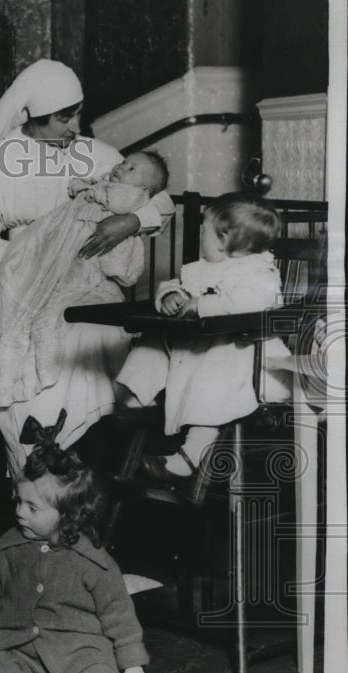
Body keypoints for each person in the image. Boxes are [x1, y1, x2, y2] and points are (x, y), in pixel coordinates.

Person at [0, 58, 176, 476]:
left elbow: (157, 196)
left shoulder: (97, 155)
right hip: (22, 281)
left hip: (87, 281)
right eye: (64, 117)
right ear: (33, 116)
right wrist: (35, 258)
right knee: (37, 364)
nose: (76, 126)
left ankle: (83, 457)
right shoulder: (0, 161)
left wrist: (131, 221)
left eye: (78, 113)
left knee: (94, 333)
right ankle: (35, 468)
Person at [0, 411, 188, 673]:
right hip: (16, 645)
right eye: (18, 501)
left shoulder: (92, 559)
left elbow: (118, 613)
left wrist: (132, 664)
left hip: (78, 649)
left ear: (67, 515)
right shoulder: (4, 549)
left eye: (32, 507)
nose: (19, 513)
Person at [0, 151, 169, 471]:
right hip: (31, 262)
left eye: (130, 167)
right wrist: (26, 257)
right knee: (16, 321)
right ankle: (30, 452)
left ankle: (52, 440)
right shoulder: (6, 158)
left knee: (59, 330)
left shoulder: (99, 166)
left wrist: (132, 220)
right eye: (124, 164)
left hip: (79, 279)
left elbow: (162, 201)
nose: (120, 167)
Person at [115, 192, 289, 488]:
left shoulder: (259, 272)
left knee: (211, 382)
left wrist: (201, 305)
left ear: (225, 239)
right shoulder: (204, 267)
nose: (199, 233)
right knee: (153, 339)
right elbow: (176, 284)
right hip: (199, 346)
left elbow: (251, 302)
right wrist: (170, 296)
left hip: (243, 356)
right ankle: (134, 400)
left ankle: (188, 458)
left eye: (204, 228)